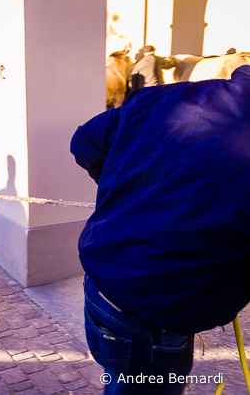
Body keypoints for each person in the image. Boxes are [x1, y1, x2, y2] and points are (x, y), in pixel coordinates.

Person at [70, 65, 250, 395]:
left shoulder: (168, 96)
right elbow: (85, 143)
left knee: (120, 382)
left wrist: (126, 198)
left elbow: (86, 141)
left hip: (103, 290)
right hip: (147, 320)